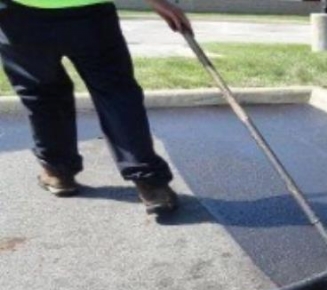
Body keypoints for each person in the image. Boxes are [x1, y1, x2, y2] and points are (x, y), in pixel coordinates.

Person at [0, 0, 192, 214]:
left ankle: (58, 171)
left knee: (42, 93)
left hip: (21, 16)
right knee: (116, 94)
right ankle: (151, 186)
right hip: (90, 15)